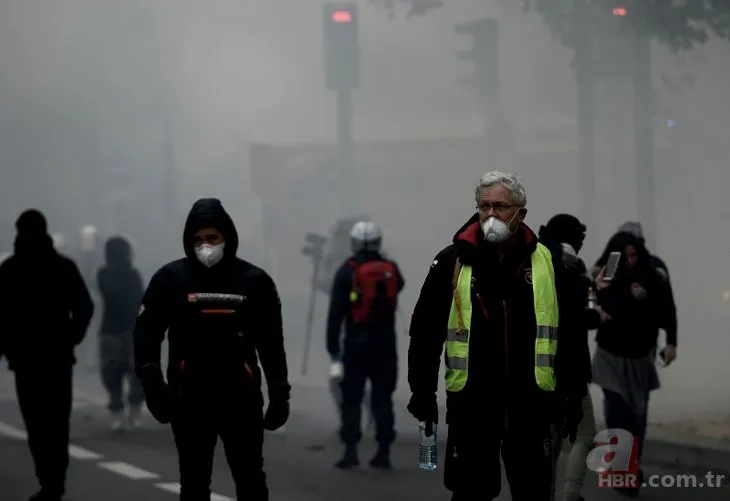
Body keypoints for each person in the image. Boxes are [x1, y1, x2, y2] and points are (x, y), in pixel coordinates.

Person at [407, 172, 584, 501]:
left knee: (533, 493)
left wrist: (572, 396)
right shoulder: (451, 262)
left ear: (521, 213)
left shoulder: (550, 264)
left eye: (500, 207)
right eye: (484, 206)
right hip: (471, 409)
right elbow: (424, 332)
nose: (490, 215)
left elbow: (571, 336)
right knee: (469, 493)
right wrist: (422, 391)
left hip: (530, 408)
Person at [133, 198, 290, 501]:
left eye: (212, 238)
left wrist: (279, 391)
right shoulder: (170, 280)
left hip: (240, 397)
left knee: (250, 480)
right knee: (193, 481)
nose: (205, 246)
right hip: (188, 398)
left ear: (226, 238)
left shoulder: (255, 281)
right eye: (198, 240)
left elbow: (271, 341)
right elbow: (146, 334)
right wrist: (153, 384)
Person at [0, 209, 94, 501]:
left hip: (25, 359)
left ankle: (47, 480)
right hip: (58, 358)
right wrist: (71, 337)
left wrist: (5, 348)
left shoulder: (10, 269)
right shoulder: (63, 266)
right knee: (57, 422)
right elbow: (84, 306)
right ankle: (56, 481)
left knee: (36, 423)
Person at [590, 230, 677, 496]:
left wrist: (671, 342)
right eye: (624, 255)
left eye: (633, 255)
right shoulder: (607, 269)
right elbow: (590, 299)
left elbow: (667, 307)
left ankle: (630, 464)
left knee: (637, 419)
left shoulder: (654, 271)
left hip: (641, 357)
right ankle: (621, 470)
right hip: (611, 357)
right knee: (618, 413)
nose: (629, 260)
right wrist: (597, 296)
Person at [326, 220, 405, 469]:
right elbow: (399, 287)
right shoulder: (391, 269)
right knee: (383, 398)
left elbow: (335, 313)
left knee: (352, 399)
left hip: (355, 344)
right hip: (385, 343)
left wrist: (333, 348)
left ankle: (350, 451)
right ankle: (383, 451)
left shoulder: (346, 271)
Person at [538, 214, 603, 501]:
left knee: (546, 438)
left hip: (536, 366)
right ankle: (571, 492)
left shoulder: (532, 260)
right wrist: (596, 310)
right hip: (570, 367)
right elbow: (583, 317)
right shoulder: (574, 266)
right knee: (585, 433)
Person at [97, 235, 146, 431]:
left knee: (114, 375)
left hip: (113, 330)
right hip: (128, 330)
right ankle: (131, 413)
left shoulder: (104, 274)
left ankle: (120, 414)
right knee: (131, 374)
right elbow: (139, 297)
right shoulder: (130, 274)